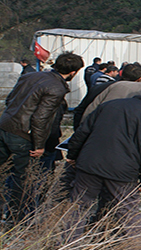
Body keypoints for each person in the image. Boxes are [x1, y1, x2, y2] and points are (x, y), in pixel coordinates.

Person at [65, 80, 141, 241]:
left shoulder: (110, 106)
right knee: (127, 213)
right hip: (122, 173)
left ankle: (66, 246)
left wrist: (73, 154)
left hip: (90, 164)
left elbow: (83, 131)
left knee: (78, 207)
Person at [0, 52, 83, 222]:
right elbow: (41, 118)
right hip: (22, 135)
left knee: (2, 173)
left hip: (5, 126)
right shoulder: (57, 88)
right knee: (23, 180)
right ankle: (16, 221)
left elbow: (10, 100)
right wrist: (39, 145)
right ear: (73, 72)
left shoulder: (30, 76)